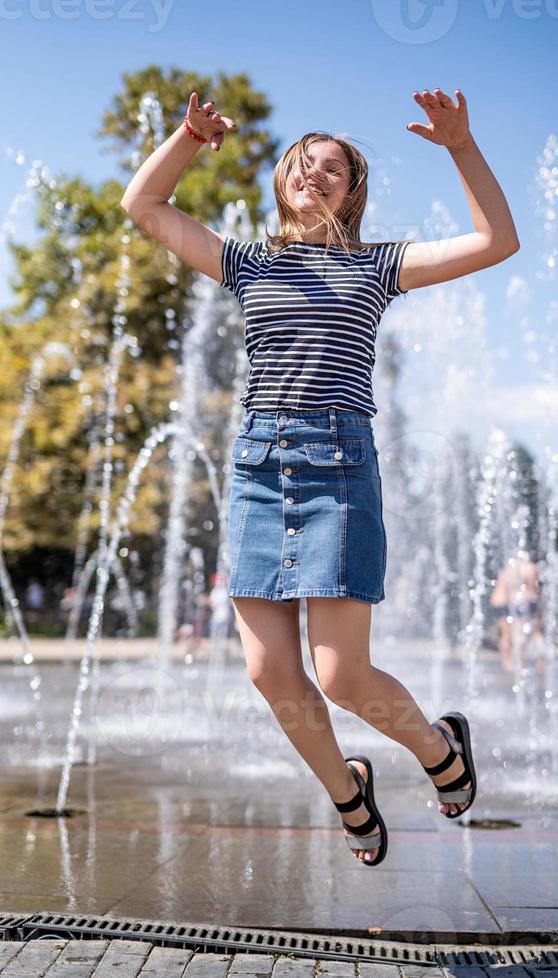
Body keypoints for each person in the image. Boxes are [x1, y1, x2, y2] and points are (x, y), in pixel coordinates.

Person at [120, 86, 519, 866]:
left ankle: (441, 750)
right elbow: (144, 202)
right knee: (270, 671)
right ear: (280, 180)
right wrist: (187, 139)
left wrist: (461, 148)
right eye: (303, 164)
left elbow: (496, 239)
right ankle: (349, 791)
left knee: (341, 676)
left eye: (333, 168)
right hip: (259, 468)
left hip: (338, 469)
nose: (315, 174)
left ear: (352, 191)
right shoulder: (246, 262)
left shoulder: (377, 267)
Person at [490, 551, 544, 674]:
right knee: (531, 634)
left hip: (503, 602)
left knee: (506, 635)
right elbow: (533, 588)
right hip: (526, 601)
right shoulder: (530, 568)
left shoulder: (508, 570)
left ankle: (507, 662)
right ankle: (527, 663)